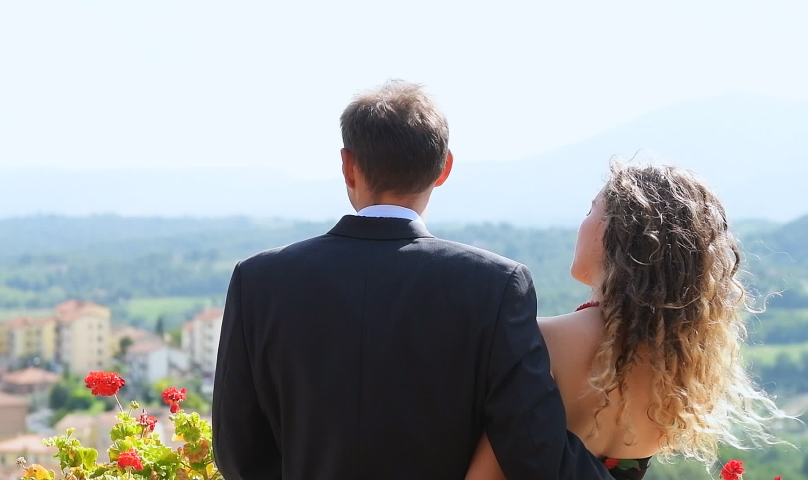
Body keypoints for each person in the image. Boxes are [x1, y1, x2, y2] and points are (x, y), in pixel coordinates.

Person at [212, 80, 611, 479]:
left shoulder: (258, 281)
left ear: (348, 166)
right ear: (444, 168)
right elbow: (531, 450)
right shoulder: (496, 286)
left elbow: (238, 454)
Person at [466, 162, 785, 480]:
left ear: (616, 229)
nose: (581, 225)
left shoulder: (540, 343)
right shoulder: (674, 374)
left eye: (591, 210)